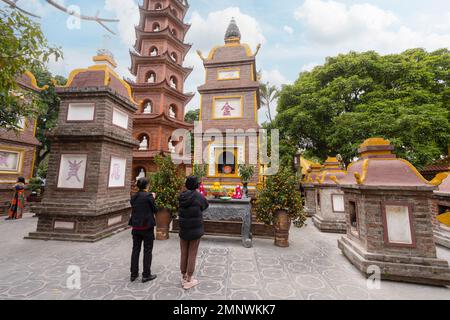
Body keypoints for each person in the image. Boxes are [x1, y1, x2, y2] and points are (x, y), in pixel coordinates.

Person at [178, 176, 209, 289]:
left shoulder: (181, 196)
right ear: (196, 185)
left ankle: (183, 275)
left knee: (184, 252)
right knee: (192, 253)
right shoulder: (199, 196)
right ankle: (189, 278)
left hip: (184, 228)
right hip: (195, 229)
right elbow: (205, 205)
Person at [129, 177, 158, 283]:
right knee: (147, 250)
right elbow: (155, 210)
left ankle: (133, 274)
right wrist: (153, 198)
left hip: (136, 227)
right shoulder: (149, 196)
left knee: (135, 250)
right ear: (146, 186)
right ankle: (146, 274)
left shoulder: (134, 196)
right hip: (147, 227)